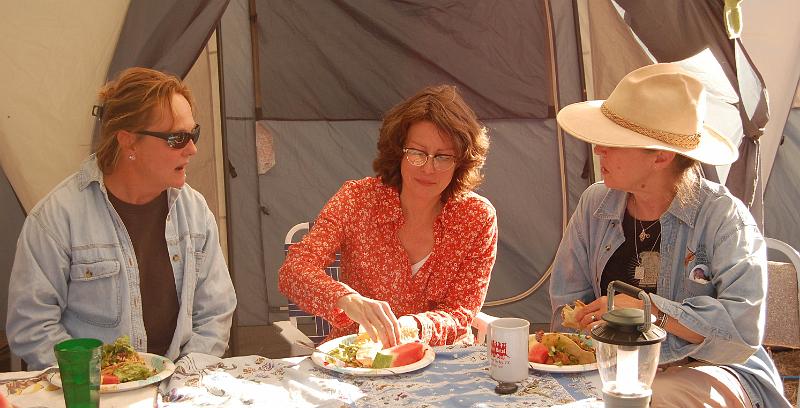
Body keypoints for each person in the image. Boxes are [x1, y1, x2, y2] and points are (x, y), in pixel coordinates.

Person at [549, 63, 790, 407]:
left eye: (612, 141)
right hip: (612, 368)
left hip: (712, 369)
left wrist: (650, 312)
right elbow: (566, 306)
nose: (598, 150)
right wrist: (584, 326)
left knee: (645, 400)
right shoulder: (595, 203)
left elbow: (741, 334)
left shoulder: (723, 216)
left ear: (661, 156)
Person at [6, 67, 237, 370]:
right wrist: (104, 382)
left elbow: (215, 314)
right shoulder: (56, 219)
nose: (192, 149)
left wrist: (181, 379)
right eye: (177, 138)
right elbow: (32, 326)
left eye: (194, 133)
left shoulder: (195, 212)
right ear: (128, 142)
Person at [279, 85, 497, 348]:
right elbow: (293, 271)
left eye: (442, 157)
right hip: (359, 356)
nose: (428, 168)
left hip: (441, 360)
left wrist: (410, 327)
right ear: (398, 152)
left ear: (461, 162)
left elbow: (461, 312)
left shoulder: (477, 217)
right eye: (417, 153)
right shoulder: (357, 199)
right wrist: (346, 300)